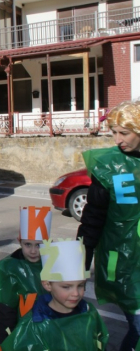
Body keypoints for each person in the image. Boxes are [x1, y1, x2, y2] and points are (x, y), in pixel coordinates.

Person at [76, 100, 140, 351]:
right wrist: (81, 259)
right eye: (113, 132)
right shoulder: (109, 166)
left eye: (124, 133)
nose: (117, 140)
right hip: (123, 263)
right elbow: (93, 218)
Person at [0, 239, 109, 350]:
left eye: (80, 285)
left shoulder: (89, 312)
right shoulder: (35, 324)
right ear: (47, 285)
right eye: (66, 287)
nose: (76, 293)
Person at [0, 206, 52, 343]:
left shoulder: (53, 263)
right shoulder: (9, 269)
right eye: (28, 244)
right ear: (20, 242)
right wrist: (7, 340)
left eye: (39, 245)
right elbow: (5, 310)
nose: (33, 251)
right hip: (22, 332)